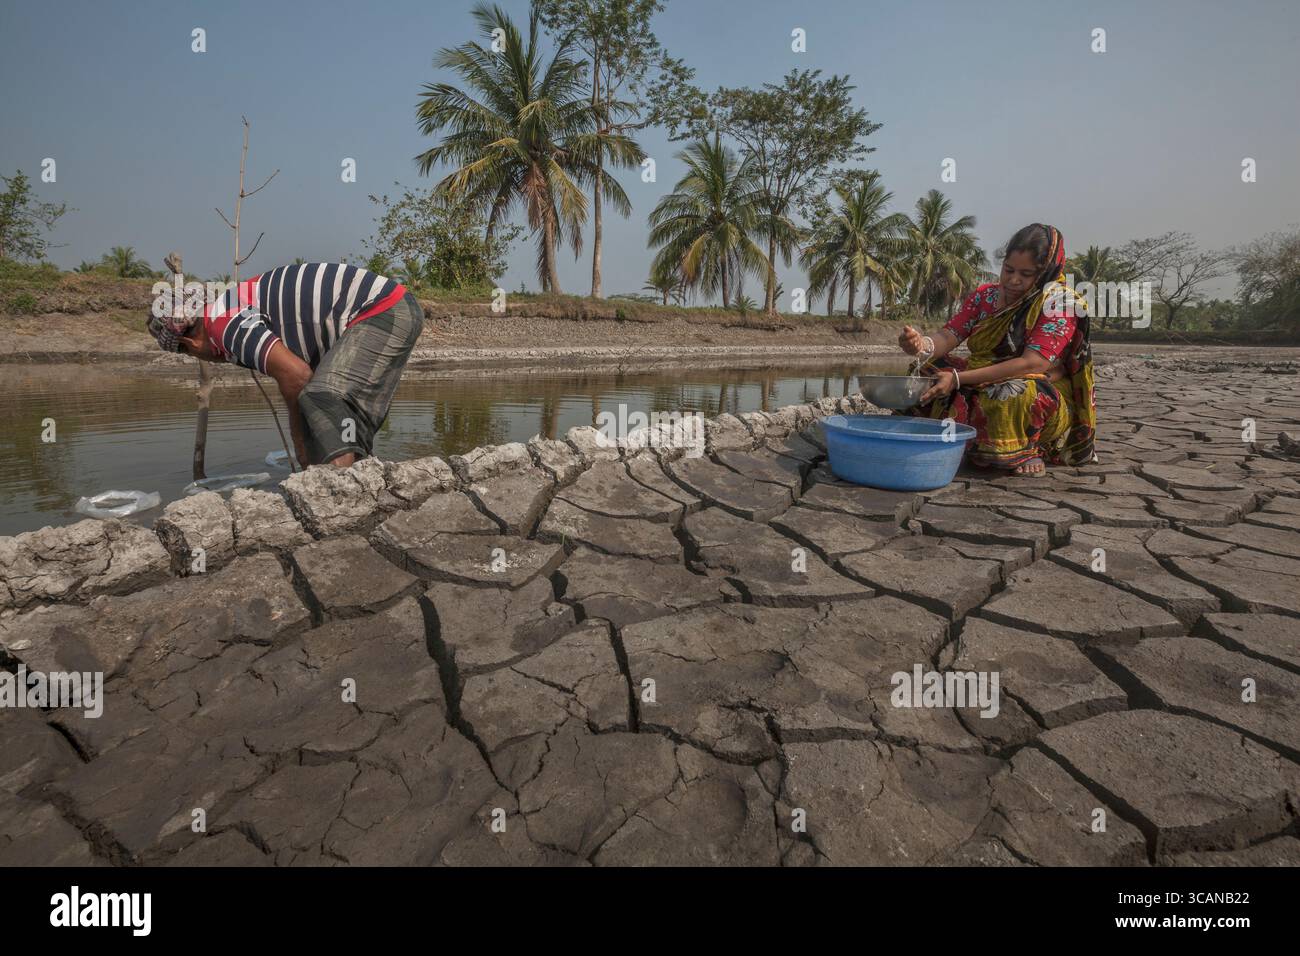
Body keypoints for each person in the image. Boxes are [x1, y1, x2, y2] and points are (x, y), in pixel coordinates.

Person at [147, 262, 423, 468]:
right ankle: (361, 482)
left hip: (383, 309)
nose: (208, 358)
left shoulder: (224, 323)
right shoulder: (230, 307)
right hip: (391, 308)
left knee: (321, 395)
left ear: (189, 345)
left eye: (195, 355)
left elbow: (296, 376)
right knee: (338, 412)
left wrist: (301, 449)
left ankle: (344, 495)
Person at [898, 223, 1095, 475]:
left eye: (1026, 274)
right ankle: (954, 440)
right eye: (1008, 270)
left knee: (1014, 393)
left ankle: (1028, 448)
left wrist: (958, 379)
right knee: (926, 371)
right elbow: (949, 335)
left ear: (1046, 273)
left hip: (1032, 384)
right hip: (978, 377)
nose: (1013, 280)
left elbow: (1032, 363)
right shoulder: (985, 296)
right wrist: (921, 345)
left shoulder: (1060, 303)